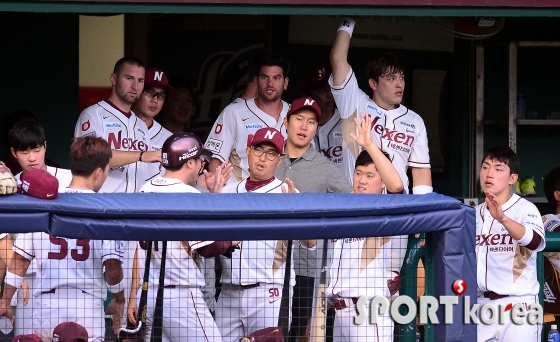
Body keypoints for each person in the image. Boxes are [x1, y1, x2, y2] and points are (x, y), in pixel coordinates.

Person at [0, 136, 127, 342]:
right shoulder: (106, 210)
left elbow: (20, 261)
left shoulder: (44, 204)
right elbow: (112, 271)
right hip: (87, 306)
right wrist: (119, 299)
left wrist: (5, 300)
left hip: (46, 305)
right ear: (98, 172)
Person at [217, 127, 315, 342]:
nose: (262, 157)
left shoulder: (287, 193)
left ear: (279, 161)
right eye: (258, 149)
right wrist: (212, 198)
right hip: (228, 292)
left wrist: (297, 214)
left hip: (268, 293)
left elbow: (310, 243)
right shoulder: (226, 192)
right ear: (248, 150)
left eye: (271, 153)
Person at [129, 132, 227, 342]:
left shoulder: (145, 190)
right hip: (181, 296)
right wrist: (232, 239)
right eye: (200, 160)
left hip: (148, 296)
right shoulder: (189, 196)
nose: (203, 165)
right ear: (189, 163)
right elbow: (209, 249)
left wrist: (214, 199)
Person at [273, 97, 352, 342]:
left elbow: (352, 202)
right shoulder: (269, 158)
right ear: (286, 122)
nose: (304, 126)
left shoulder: (325, 167)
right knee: (272, 333)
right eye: (299, 119)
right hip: (270, 267)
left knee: (304, 334)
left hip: (308, 267)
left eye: (311, 121)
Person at [329, 17, 432, 194]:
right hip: (356, 200)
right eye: (391, 79)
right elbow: (337, 59)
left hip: (396, 205)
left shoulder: (415, 121)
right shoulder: (355, 103)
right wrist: (349, 21)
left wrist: (422, 212)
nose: (399, 84)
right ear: (373, 84)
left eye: (401, 77)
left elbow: (420, 171)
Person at [326, 114, 405, 342]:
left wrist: (369, 145)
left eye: (370, 175)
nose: (361, 180)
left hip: (369, 310)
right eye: (359, 173)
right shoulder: (340, 208)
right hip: (339, 311)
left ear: (381, 182)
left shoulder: (385, 208)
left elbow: (397, 186)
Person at [0, 120, 73, 336]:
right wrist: (17, 277)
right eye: (24, 151)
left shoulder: (69, 178)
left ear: (45, 147)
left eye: (36, 149)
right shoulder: (9, 187)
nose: (32, 158)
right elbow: (3, 240)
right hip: (28, 280)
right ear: (13, 153)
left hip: (66, 277)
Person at [475, 146, 544, 341]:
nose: (489, 174)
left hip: (518, 305)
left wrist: (503, 219)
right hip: (480, 305)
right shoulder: (472, 214)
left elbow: (536, 241)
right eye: (485, 167)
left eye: (498, 169)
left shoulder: (525, 209)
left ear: (512, 179)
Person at [74, 56, 161, 194]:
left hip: (136, 207)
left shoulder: (141, 125)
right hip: (104, 205)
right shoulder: (94, 114)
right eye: (129, 78)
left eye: (140, 81)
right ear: (113, 78)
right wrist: (141, 155)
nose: (135, 86)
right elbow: (91, 157)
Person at [205, 52, 291, 183]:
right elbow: (216, 161)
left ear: (285, 83)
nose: (270, 83)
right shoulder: (234, 112)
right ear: (256, 81)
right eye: (264, 77)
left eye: (277, 78)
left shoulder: (296, 114)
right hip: (242, 197)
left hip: (284, 196)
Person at [131, 67, 174, 182]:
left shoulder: (169, 139)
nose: (155, 100)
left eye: (161, 95)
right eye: (150, 92)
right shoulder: (119, 127)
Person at [301, 66, 344, 174]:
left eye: (331, 89)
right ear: (307, 94)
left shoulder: (347, 122)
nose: (329, 95)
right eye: (322, 90)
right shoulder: (297, 126)